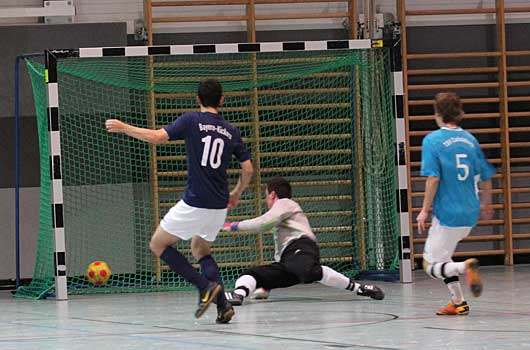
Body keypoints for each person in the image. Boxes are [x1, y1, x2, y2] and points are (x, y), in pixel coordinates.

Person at [105, 79, 253, 323]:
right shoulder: (231, 131)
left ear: (198, 100)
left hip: (196, 201)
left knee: (158, 245)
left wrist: (124, 127)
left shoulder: (192, 120)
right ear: (222, 100)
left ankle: (204, 286)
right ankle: (223, 305)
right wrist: (236, 193)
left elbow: (157, 137)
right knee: (200, 249)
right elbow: (248, 170)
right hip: (219, 204)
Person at [222, 177, 384, 306]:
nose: (266, 200)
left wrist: (233, 226)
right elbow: (282, 258)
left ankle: (360, 288)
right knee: (251, 274)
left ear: (272, 195)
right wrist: (267, 285)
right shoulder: (284, 219)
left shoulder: (285, 203)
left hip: (302, 247)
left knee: (309, 272)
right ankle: (239, 295)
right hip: (290, 260)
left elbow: (264, 223)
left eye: (266, 196)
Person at [416, 92, 495, 316]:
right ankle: (459, 303)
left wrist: (424, 210)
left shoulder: (432, 141)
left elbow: (433, 178)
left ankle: (464, 267)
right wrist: (487, 204)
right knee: (443, 257)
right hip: (470, 212)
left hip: (448, 214)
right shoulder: (470, 140)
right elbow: (486, 176)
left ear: (438, 113)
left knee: (430, 265)